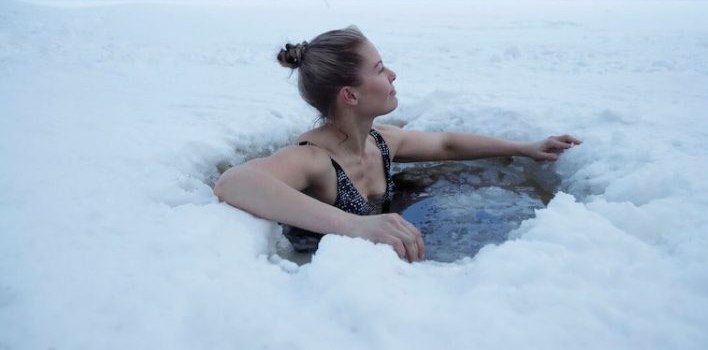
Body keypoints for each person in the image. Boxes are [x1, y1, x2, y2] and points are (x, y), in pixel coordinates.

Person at [214, 26, 582, 262]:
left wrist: (523, 147)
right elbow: (235, 182)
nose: (392, 75)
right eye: (379, 69)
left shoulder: (381, 140)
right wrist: (354, 226)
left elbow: (446, 145)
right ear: (350, 96)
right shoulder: (314, 159)